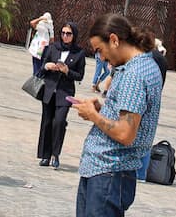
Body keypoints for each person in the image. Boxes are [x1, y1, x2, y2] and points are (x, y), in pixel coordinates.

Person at [72, 13, 163, 217]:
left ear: (114, 40)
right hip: (106, 172)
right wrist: (103, 110)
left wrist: (94, 116)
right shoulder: (141, 66)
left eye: (100, 50)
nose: (102, 58)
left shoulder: (134, 75)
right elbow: (129, 113)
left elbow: (125, 133)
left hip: (109, 172)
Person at [37, 21, 86, 169]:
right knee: (47, 122)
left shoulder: (79, 53)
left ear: (74, 35)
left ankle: (55, 154)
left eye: (68, 34)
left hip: (65, 92)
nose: (65, 36)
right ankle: (45, 155)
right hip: (49, 89)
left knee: (59, 122)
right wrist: (47, 66)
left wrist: (67, 71)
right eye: (63, 33)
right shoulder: (53, 47)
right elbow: (42, 67)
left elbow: (80, 75)